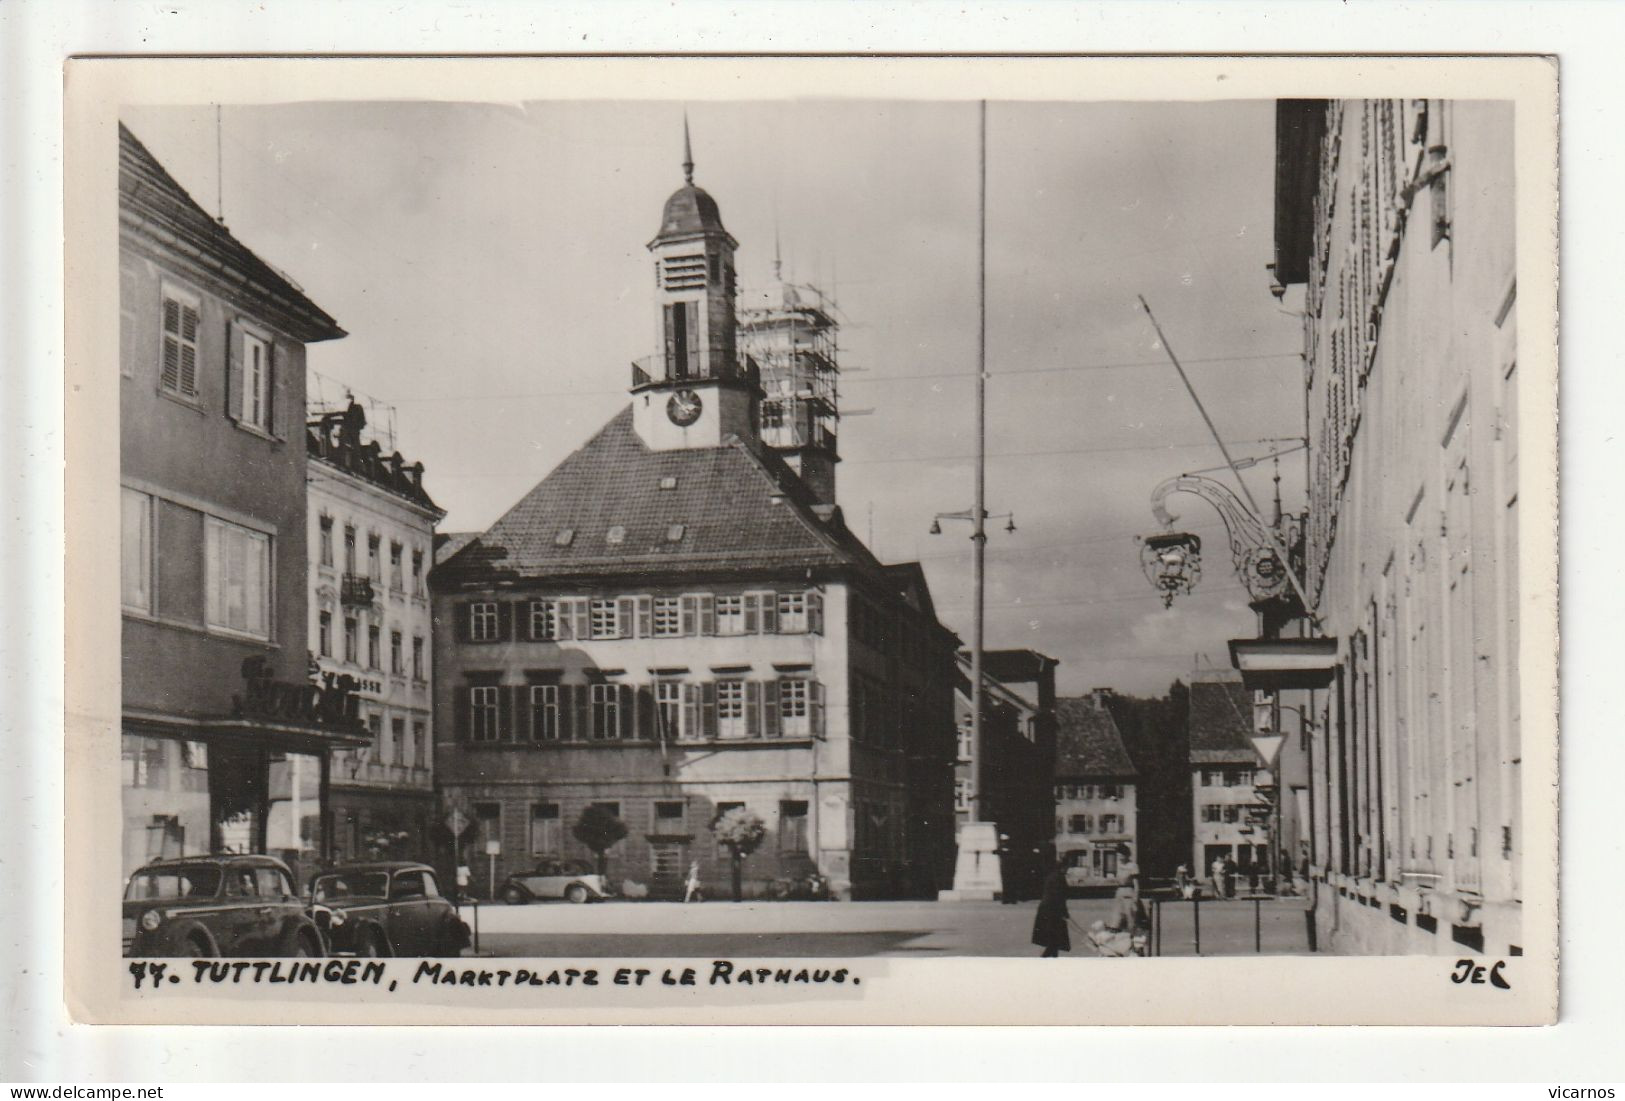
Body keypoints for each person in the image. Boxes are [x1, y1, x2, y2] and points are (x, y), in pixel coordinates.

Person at [1031, 861, 1071, 958]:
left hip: (1046, 909)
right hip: (1053, 911)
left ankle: (1053, 957)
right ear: (1062, 868)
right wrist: (1064, 912)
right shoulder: (1059, 878)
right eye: (1066, 868)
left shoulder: (1052, 876)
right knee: (1055, 937)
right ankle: (1046, 957)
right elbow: (1059, 896)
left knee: (1052, 936)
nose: (1067, 870)